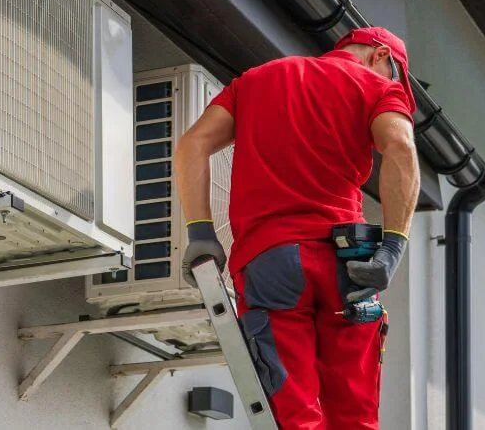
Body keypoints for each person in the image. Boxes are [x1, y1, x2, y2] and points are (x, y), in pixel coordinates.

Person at [174, 27, 420, 429]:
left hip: (270, 259)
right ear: (380, 56)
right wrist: (392, 248)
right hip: (347, 261)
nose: (392, 84)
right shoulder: (377, 89)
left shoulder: (255, 81)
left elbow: (192, 145)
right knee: (355, 416)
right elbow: (402, 149)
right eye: (394, 75)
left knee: (296, 416)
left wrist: (202, 233)